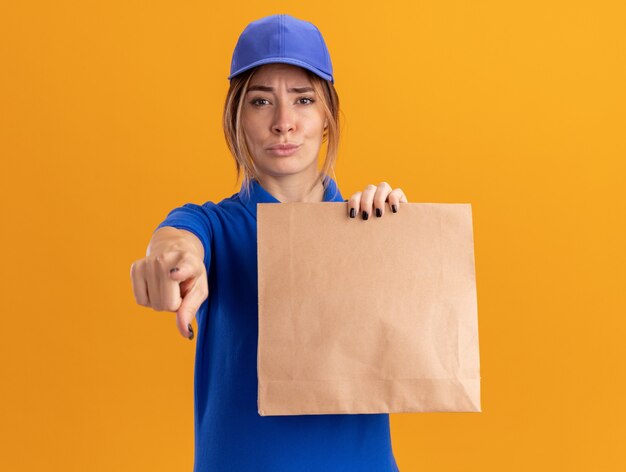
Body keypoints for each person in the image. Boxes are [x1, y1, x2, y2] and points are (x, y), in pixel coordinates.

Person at [130, 14, 407, 471]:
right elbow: (178, 241)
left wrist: (395, 230)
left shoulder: (368, 224)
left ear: (327, 118)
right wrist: (172, 261)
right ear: (236, 117)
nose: (284, 123)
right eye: (261, 101)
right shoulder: (211, 226)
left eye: (303, 100)